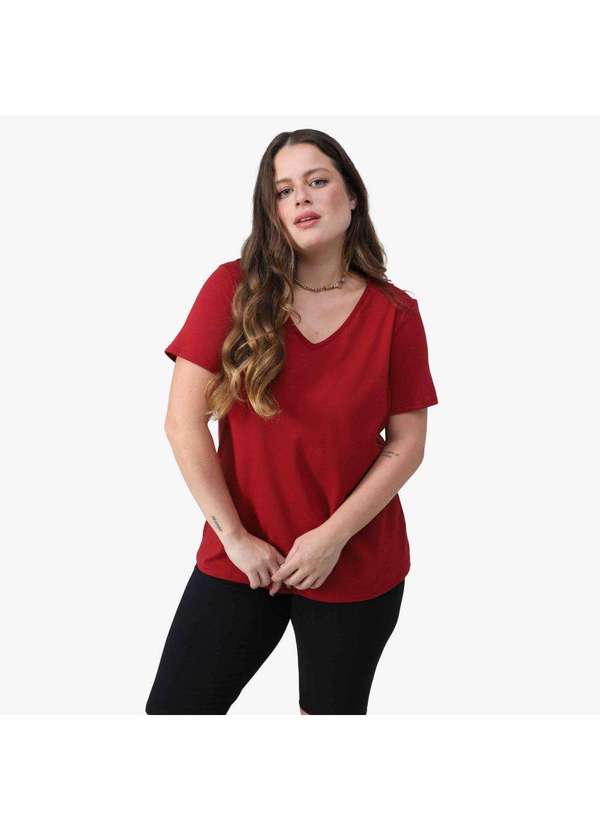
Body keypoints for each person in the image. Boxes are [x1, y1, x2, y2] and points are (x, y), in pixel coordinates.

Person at [145, 128, 439, 715]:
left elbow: (406, 444)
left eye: (317, 180)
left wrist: (331, 538)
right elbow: (182, 423)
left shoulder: (395, 313)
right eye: (283, 190)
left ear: (351, 195)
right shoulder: (232, 288)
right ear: (273, 210)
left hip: (355, 560)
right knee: (175, 713)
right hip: (243, 556)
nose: (300, 197)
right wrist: (235, 539)